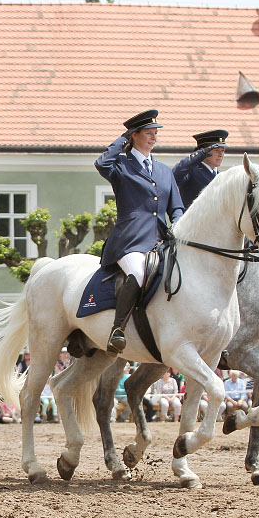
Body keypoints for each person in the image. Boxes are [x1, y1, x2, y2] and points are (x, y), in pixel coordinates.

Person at [95, 110, 183, 353]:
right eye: (149, 133)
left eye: (156, 133)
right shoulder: (121, 166)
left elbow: (176, 207)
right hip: (130, 240)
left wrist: (178, 223)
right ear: (135, 136)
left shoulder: (165, 171)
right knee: (138, 271)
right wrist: (122, 140)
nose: (154, 137)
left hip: (160, 238)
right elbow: (101, 163)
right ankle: (118, 329)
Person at [172, 129, 228, 206]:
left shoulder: (223, 176)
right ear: (202, 151)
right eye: (216, 150)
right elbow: (174, 176)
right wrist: (197, 156)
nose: (220, 154)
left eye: (222, 150)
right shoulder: (191, 171)